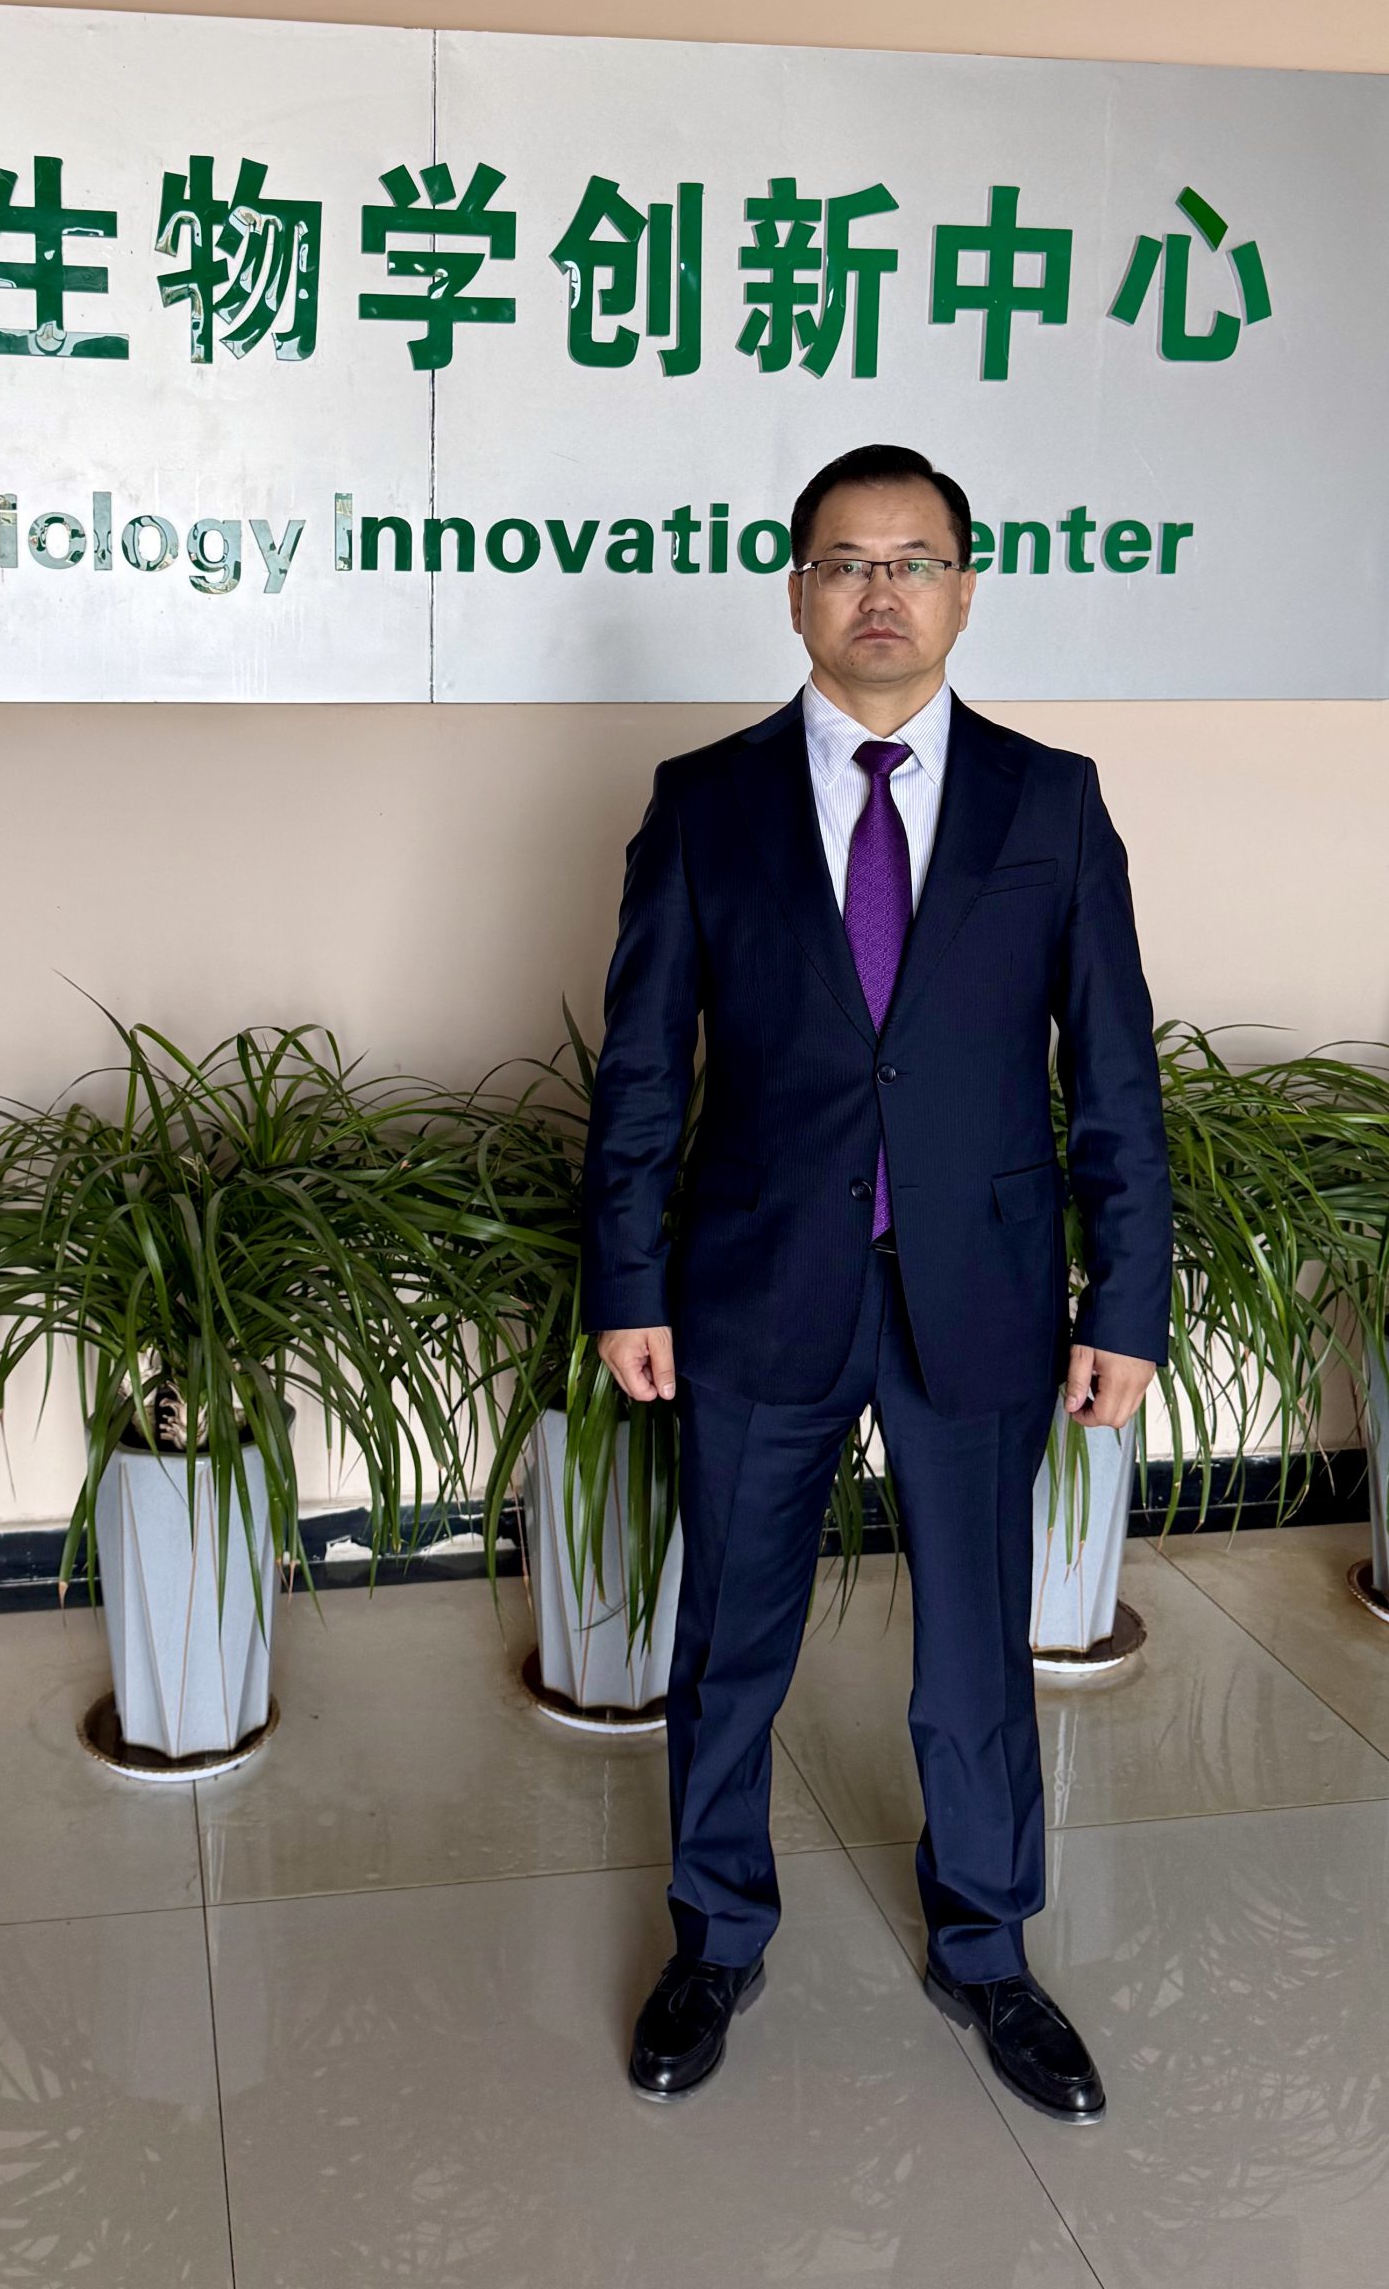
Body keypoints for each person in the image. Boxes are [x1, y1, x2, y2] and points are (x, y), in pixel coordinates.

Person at [583, 441, 1170, 2122]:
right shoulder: (704, 803)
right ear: (798, 595)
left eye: (914, 562)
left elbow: (1112, 1071)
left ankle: (988, 1948)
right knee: (730, 1635)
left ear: (965, 591)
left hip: (979, 1289)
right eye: (847, 563)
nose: (881, 593)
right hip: (757, 1283)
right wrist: (629, 1282)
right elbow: (644, 1072)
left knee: (978, 1648)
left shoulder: (1051, 803)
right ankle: (715, 1937)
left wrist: (1127, 1300)